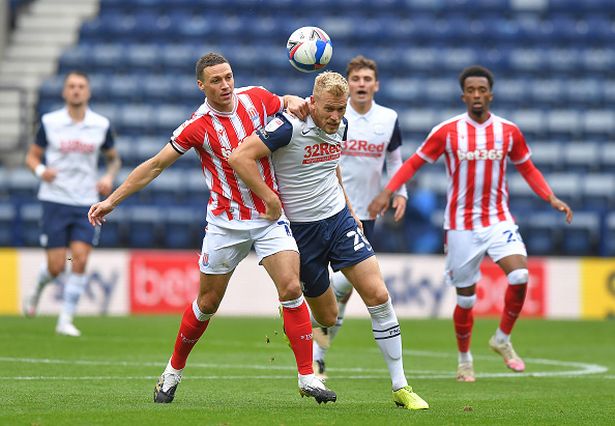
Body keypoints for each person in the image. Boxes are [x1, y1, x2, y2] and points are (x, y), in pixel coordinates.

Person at [87, 53, 337, 405]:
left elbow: (286, 101)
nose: (225, 85)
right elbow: (156, 165)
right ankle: (172, 372)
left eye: (228, 77)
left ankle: (308, 378)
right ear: (201, 85)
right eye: (216, 80)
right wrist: (112, 200)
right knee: (207, 303)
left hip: (268, 217)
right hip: (225, 224)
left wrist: (294, 99)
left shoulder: (257, 98)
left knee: (291, 286)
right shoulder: (197, 125)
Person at [229, 71, 429, 410]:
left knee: (378, 295)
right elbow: (239, 158)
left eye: (341, 109)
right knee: (328, 313)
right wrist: (270, 199)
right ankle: (294, 310)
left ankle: (401, 386)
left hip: (338, 221)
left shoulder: (344, 126)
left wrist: (350, 209)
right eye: (329, 110)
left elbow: (331, 166)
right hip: (302, 232)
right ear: (313, 102)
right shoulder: (288, 126)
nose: (336, 117)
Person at [369, 65, 573, 382]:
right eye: (471, 90)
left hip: (497, 219)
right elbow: (414, 163)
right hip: (461, 225)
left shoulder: (509, 132)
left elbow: (528, 168)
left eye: (482, 90)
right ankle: (465, 360)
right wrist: (387, 191)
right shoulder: (447, 131)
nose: (477, 95)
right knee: (466, 299)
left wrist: (551, 197)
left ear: (490, 94)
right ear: (463, 95)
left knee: (519, 275)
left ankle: (502, 339)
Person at [309, 55, 408, 380]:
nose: (362, 84)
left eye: (367, 79)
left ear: (376, 84)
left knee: (344, 288)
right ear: (348, 85)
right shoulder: (334, 116)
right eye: (356, 79)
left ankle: (318, 356)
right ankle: (317, 353)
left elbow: (395, 161)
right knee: (343, 287)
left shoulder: (388, 118)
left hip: (367, 213)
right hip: (331, 210)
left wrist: (398, 192)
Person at [23, 70, 121, 337]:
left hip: (86, 202)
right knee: (57, 266)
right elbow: (31, 157)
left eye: (81, 86)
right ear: (65, 92)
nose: (76, 90)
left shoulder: (100, 124)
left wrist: (108, 176)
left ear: (87, 91)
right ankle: (37, 289)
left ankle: (65, 320)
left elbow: (114, 158)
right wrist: (42, 171)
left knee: (80, 258)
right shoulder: (50, 122)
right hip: (55, 199)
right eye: (71, 86)